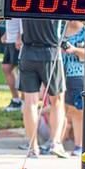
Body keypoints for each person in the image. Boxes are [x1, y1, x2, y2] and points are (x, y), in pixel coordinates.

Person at [19, 18, 67, 158]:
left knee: (30, 103)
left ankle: (33, 147)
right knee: (57, 101)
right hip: (50, 51)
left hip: (28, 52)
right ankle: (56, 142)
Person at [62, 20, 85, 157]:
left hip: (80, 75)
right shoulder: (60, 30)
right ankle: (57, 142)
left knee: (78, 111)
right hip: (61, 75)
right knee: (65, 111)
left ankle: (80, 145)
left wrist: (75, 50)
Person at [2, 17, 23, 111]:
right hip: (10, 39)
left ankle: (24, 101)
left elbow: (22, 19)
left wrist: (20, 37)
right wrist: (6, 33)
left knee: (22, 70)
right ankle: (16, 100)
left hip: (17, 40)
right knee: (6, 67)